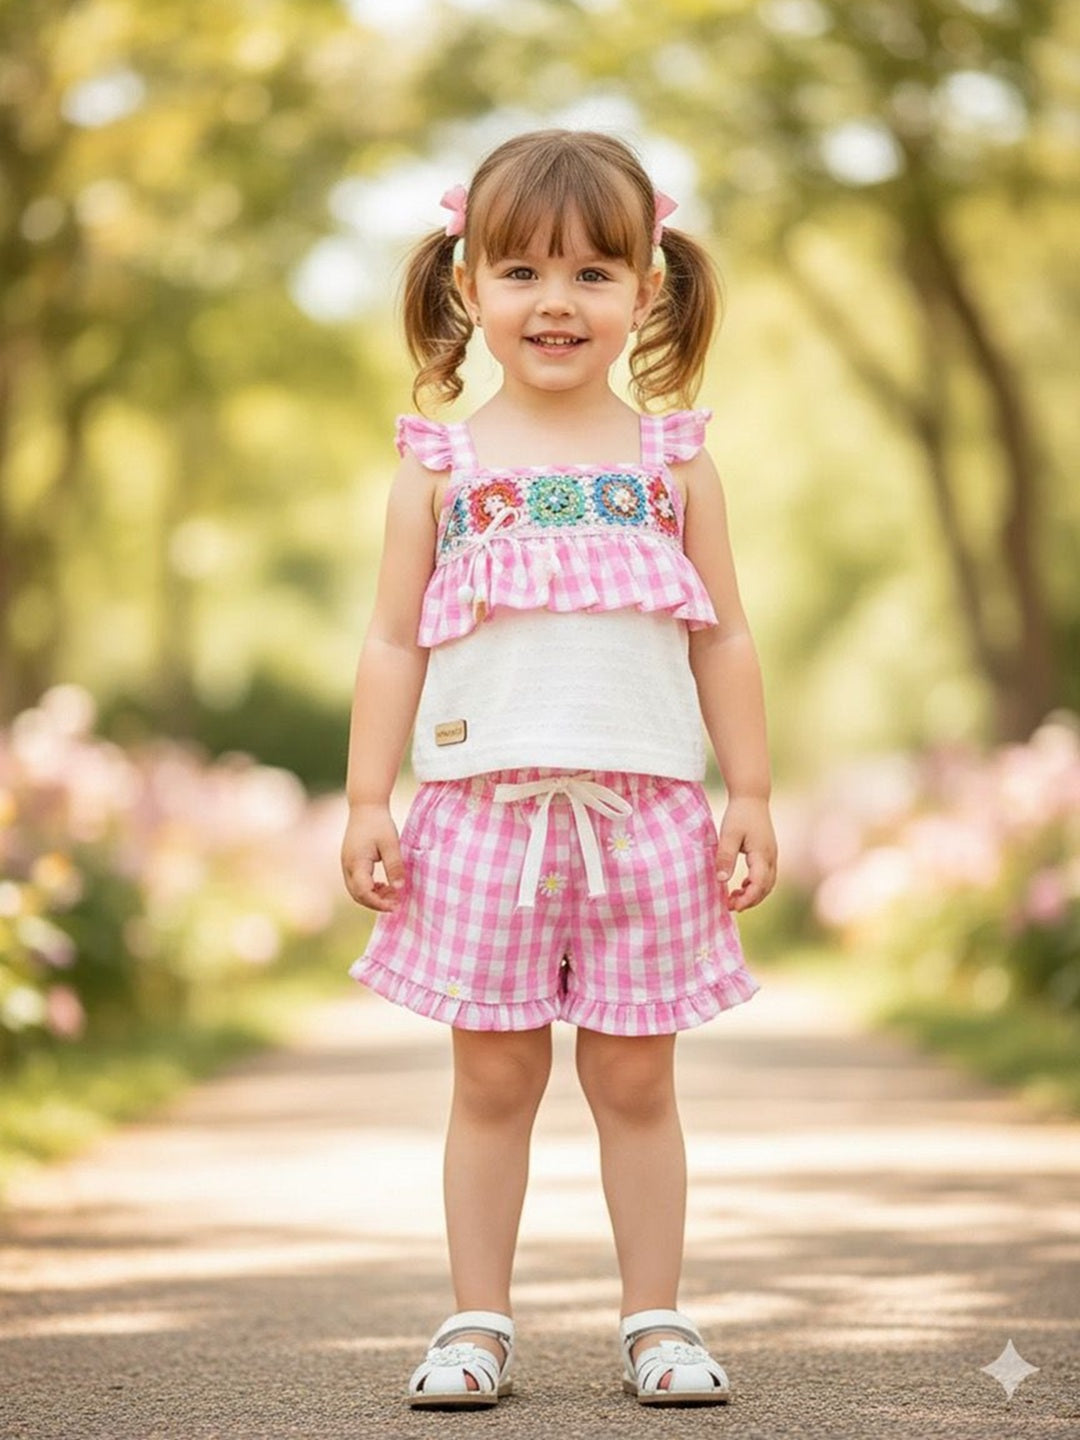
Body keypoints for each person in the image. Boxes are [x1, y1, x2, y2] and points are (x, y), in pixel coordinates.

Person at [340, 128, 777, 1410]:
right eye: (522, 271)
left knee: (637, 1075)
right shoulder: (443, 469)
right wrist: (371, 797)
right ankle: (475, 1322)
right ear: (466, 287)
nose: (557, 300)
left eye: (595, 273)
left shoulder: (670, 463)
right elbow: (385, 640)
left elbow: (726, 635)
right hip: (481, 815)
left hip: (645, 816)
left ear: (649, 289)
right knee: (493, 1073)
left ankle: (657, 1319)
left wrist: (747, 789)